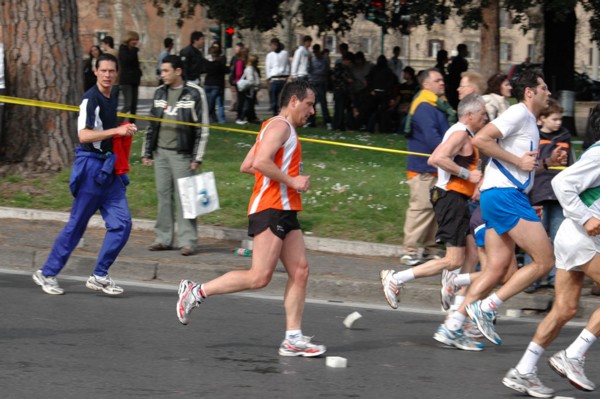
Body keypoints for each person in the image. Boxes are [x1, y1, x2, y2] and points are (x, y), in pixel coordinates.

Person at [176, 79, 327, 358]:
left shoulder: (278, 127)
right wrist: (291, 180)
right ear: (293, 101)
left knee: (300, 271)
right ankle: (195, 292)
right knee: (259, 277)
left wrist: (280, 177)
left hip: (285, 208)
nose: (312, 110)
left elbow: (248, 164)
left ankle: (293, 338)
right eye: (309, 104)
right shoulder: (280, 126)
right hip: (270, 208)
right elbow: (259, 163)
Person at [438, 70, 567, 350]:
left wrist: (545, 164)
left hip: (498, 195)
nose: (548, 93)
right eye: (544, 88)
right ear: (530, 92)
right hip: (505, 196)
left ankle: (452, 326)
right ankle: (486, 308)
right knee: (544, 261)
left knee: (496, 268)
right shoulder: (519, 113)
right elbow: (481, 140)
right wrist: (519, 162)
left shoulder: (528, 121)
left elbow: (521, 164)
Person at [503, 134, 600, 398]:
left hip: (579, 239)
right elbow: (562, 181)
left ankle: (524, 370)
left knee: (564, 309)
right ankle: (574, 354)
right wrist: (585, 217)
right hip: (582, 237)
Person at [32, 53, 137, 296]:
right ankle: (47, 273)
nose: (108, 75)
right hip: (91, 167)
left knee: (122, 224)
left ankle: (99, 275)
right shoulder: (90, 99)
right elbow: (84, 135)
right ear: (95, 71)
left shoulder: (114, 95)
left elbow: (108, 130)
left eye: (112, 71)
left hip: (109, 170)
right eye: (104, 71)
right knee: (77, 225)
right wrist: (117, 131)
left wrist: (122, 130)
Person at [381, 94, 486, 319]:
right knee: (454, 259)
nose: (486, 118)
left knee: (472, 254)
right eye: (483, 114)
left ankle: (456, 307)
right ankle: (396, 278)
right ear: (469, 115)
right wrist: (469, 175)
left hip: (458, 198)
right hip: (450, 198)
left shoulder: (464, 133)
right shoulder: (459, 133)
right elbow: (436, 158)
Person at [141, 55, 209, 257]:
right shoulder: (159, 92)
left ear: (178, 71)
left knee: (185, 199)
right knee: (163, 196)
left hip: (183, 154)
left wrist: (197, 157)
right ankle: (163, 238)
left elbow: (202, 127)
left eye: (166, 71)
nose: (162, 75)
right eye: (161, 71)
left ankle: (188, 241)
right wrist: (146, 151)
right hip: (160, 153)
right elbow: (151, 123)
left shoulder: (194, 93)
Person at [400, 68, 452, 266]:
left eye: (442, 80)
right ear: (426, 84)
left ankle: (430, 249)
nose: (442, 83)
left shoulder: (438, 105)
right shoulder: (424, 106)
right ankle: (409, 250)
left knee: (435, 210)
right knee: (420, 208)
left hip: (436, 167)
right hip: (423, 168)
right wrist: (451, 152)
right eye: (437, 80)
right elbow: (433, 139)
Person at [523, 98, 574, 293]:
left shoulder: (565, 137)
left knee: (559, 237)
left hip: (559, 195)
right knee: (536, 237)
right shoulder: (534, 137)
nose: (558, 123)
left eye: (560, 119)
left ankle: (555, 276)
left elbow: (570, 164)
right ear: (541, 119)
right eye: (554, 119)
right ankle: (531, 277)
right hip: (539, 193)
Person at [118, 31, 142, 123]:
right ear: (129, 39)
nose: (136, 42)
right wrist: (134, 50)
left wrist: (139, 73)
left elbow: (135, 64)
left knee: (134, 105)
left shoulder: (134, 50)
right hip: (126, 81)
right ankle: (118, 122)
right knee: (128, 104)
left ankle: (132, 124)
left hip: (134, 80)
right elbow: (126, 61)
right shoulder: (123, 49)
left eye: (137, 40)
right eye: (134, 40)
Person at [307, 43, 332, 129]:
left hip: (321, 83)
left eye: (316, 52)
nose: (315, 54)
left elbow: (324, 71)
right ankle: (311, 121)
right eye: (314, 52)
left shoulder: (324, 60)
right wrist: (309, 61)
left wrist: (315, 73)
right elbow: (309, 70)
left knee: (323, 104)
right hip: (313, 83)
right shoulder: (312, 60)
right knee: (312, 104)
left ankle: (327, 121)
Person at [265, 38, 290, 116]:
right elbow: (267, 66)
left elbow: (288, 64)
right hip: (274, 79)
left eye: (275, 45)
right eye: (272, 45)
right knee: (274, 99)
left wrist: (287, 75)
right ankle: (275, 114)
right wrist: (269, 78)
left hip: (282, 78)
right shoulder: (270, 55)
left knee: (283, 98)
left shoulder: (284, 53)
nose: (274, 47)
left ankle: (283, 113)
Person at [203, 45, 228, 124]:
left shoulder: (207, 62)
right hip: (215, 84)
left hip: (208, 83)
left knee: (209, 103)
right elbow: (225, 70)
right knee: (213, 103)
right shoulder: (219, 62)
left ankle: (212, 119)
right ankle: (214, 119)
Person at [235, 53, 261, 125]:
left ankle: (248, 118)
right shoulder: (250, 69)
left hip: (251, 89)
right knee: (247, 105)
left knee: (250, 105)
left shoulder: (251, 68)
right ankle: (241, 118)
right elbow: (251, 80)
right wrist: (257, 83)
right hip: (250, 90)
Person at [331, 52, 354, 131]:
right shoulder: (340, 67)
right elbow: (338, 77)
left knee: (340, 109)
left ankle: (340, 125)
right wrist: (348, 80)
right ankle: (338, 126)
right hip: (340, 90)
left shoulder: (342, 68)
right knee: (339, 109)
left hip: (343, 91)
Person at [446, 44, 469, 109]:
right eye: (466, 50)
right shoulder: (458, 61)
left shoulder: (459, 60)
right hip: (455, 87)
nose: (467, 52)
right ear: (462, 50)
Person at [228, 42, 244, 111]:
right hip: (233, 79)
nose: (235, 49)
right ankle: (233, 106)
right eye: (235, 47)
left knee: (238, 95)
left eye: (237, 48)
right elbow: (231, 67)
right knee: (234, 94)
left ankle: (235, 106)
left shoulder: (242, 58)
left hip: (239, 79)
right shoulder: (234, 58)